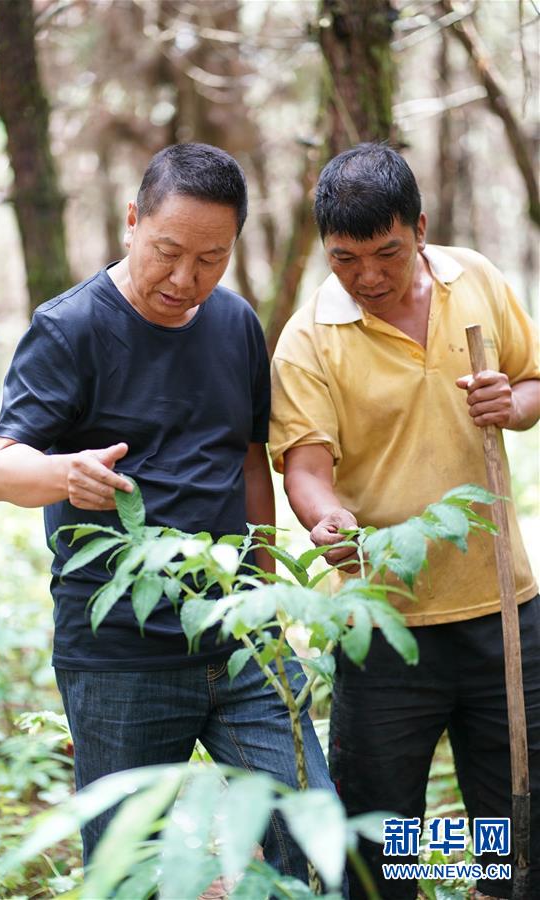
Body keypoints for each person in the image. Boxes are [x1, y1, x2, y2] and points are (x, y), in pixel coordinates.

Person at [0, 143, 336, 886]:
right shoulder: (69, 328)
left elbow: (247, 463)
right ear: (132, 221)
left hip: (242, 641)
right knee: (127, 872)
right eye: (168, 252)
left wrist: (265, 599)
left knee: (311, 837)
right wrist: (60, 472)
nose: (185, 278)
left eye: (212, 257)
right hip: (121, 656)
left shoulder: (235, 325)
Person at [269, 142, 540, 900]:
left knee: (513, 838)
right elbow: (306, 469)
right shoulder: (308, 338)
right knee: (385, 842)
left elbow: (531, 381)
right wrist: (326, 520)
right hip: (383, 623)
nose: (369, 277)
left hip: (505, 610)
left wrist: (509, 404)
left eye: (387, 252)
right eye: (345, 259)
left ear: (420, 227)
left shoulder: (476, 279)